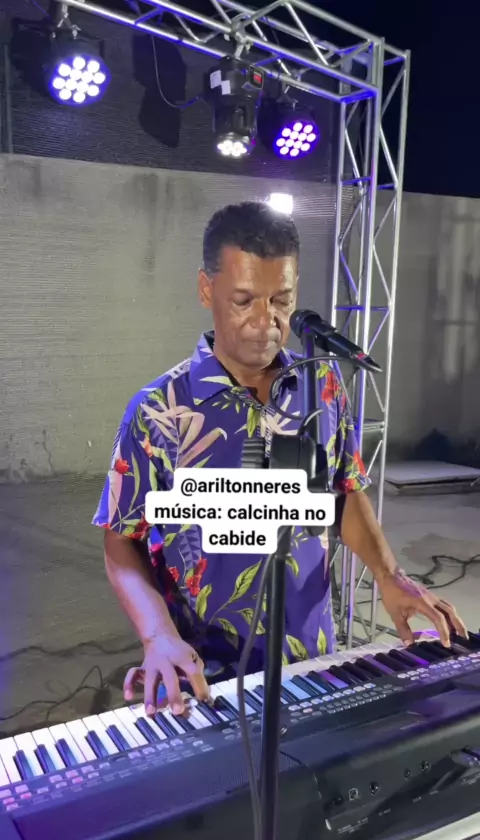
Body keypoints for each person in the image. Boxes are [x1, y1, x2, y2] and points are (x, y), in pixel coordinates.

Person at [92, 201, 468, 718]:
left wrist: (389, 574)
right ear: (206, 290)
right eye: (244, 300)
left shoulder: (322, 385)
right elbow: (121, 539)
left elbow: (343, 492)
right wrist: (157, 635)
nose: (265, 321)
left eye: (281, 300)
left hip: (310, 660)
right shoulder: (158, 409)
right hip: (201, 672)